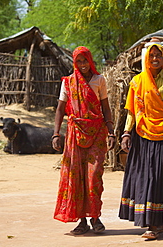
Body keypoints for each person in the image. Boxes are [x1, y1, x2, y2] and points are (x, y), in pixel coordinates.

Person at [118, 43, 163, 240]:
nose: (155, 59)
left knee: (162, 179)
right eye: (152, 55)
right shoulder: (137, 82)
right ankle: (151, 222)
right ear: (147, 59)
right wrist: (126, 133)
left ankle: (156, 224)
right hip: (143, 136)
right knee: (145, 178)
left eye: (158, 56)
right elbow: (132, 111)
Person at [52, 46, 116, 235]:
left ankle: (95, 217)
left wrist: (111, 132)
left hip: (97, 132)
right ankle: (82, 221)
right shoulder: (69, 83)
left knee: (94, 175)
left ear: (91, 61)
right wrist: (56, 134)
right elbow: (60, 109)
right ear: (75, 63)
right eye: (79, 61)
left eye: (85, 60)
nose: (83, 65)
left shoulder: (99, 80)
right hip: (74, 134)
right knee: (77, 176)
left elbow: (105, 107)